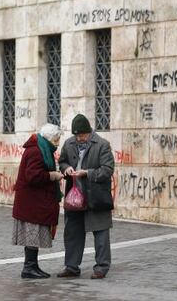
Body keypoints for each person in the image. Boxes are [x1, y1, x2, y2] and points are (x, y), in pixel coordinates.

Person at [57, 114, 115, 279]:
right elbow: (62, 162)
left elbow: (107, 170)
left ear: (89, 132)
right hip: (74, 197)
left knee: (101, 232)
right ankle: (71, 266)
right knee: (72, 232)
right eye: (76, 135)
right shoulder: (69, 144)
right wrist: (66, 168)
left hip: (97, 197)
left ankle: (101, 267)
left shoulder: (102, 145)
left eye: (81, 135)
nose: (79, 138)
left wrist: (87, 173)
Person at [12, 123, 64, 279]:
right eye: (56, 140)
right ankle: (29, 268)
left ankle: (32, 266)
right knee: (32, 235)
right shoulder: (36, 151)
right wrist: (52, 176)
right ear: (48, 138)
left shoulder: (40, 148)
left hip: (34, 202)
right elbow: (32, 176)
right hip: (32, 203)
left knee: (33, 236)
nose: (57, 143)